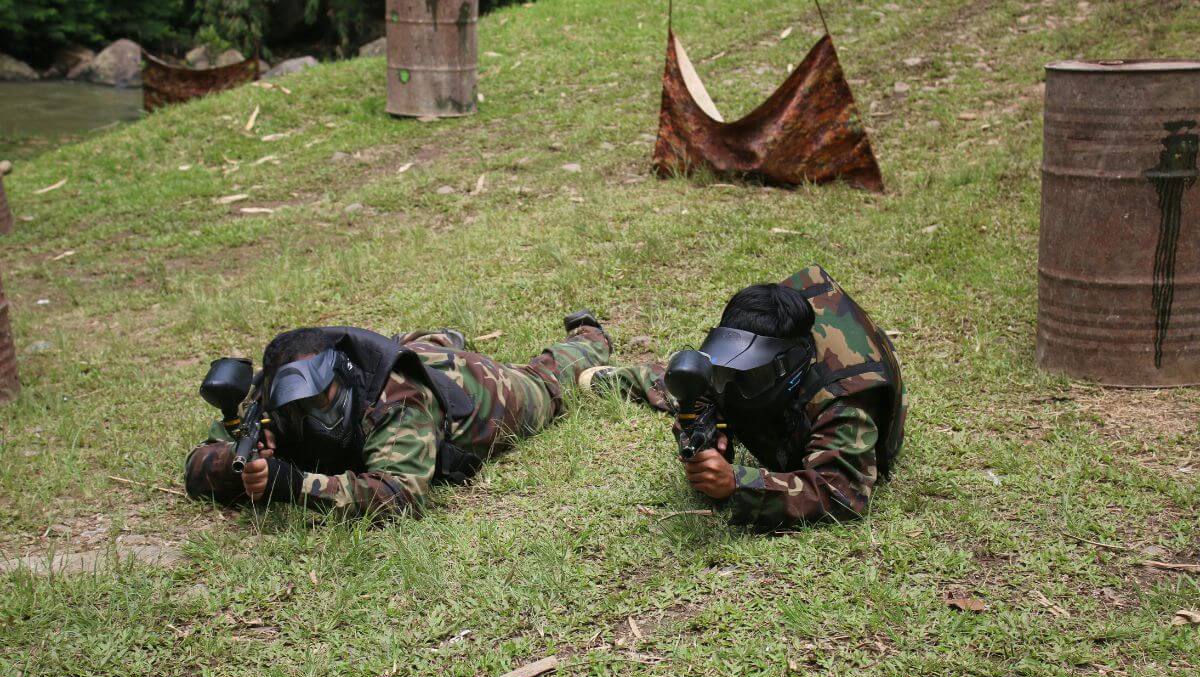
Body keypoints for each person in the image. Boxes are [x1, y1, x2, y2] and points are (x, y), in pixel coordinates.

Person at [184, 312, 611, 518]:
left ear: (342, 376)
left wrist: (294, 484)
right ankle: (430, 340)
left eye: (321, 398)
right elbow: (198, 465)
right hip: (405, 358)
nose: (313, 413)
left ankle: (588, 336)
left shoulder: (397, 399)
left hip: (470, 393)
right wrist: (233, 465)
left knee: (545, 384)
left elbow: (400, 496)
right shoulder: (269, 399)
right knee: (424, 347)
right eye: (298, 408)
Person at [581, 266, 906, 530]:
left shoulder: (846, 400)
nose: (731, 389)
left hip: (827, 390)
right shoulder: (747, 365)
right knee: (685, 378)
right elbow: (708, 388)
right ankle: (627, 378)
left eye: (749, 375)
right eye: (727, 372)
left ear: (787, 366)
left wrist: (738, 483)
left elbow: (840, 493)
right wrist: (704, 430)